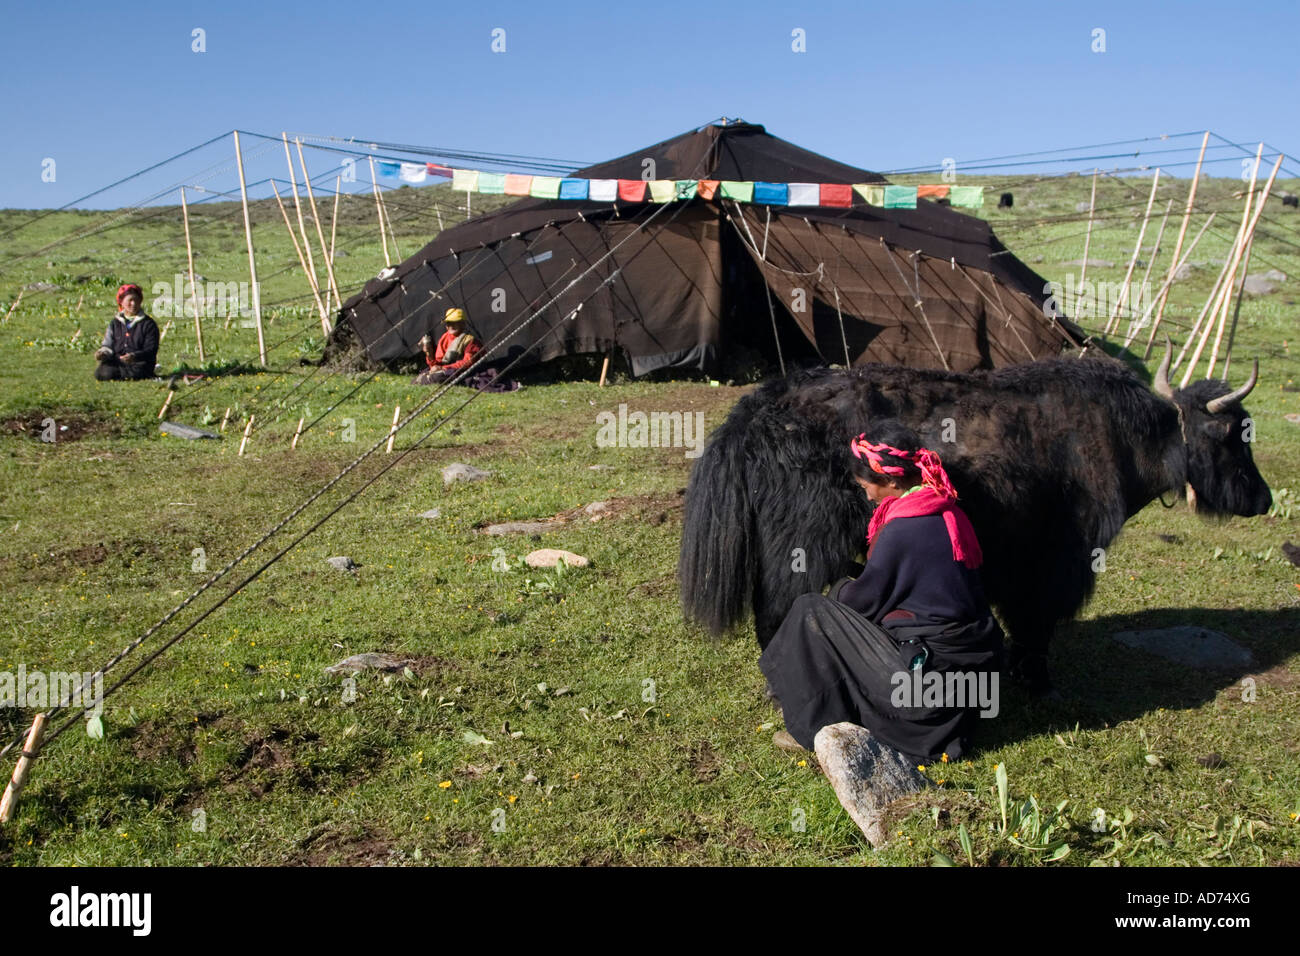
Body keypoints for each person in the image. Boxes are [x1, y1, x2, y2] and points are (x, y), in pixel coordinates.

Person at [759, 420, 1004, 847]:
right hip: (971, 686)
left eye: (867, 485)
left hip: (926, 696)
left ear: (889, 479)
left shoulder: (902, 530)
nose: (866, 493)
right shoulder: (946, 509)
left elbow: (859, 605)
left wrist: (838, 586)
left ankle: (809, 727)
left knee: (812, 611)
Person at [94, 284, 159, 381]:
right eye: (130, 300)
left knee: (138, 371)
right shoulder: (115, 323)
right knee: (101, 372)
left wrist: (134, 356)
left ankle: (124, 375)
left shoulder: (148, 324)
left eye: (136, 300)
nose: (133, 304)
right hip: (118, 362)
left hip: (139, 364)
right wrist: (103, 353)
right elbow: (108, 345)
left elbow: (151, 349)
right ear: (121, 302)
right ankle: (122, 374)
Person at [412, 307, 483, 385]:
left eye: (455, 322)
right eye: (448, 323)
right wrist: (429, 354)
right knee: (421, 376)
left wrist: (443, 368)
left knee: (437, 377)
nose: (451, 326)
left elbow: (467, 362)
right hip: (446, 369)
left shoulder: (470, 341)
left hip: (461, 370)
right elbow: (438, 362)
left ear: (463, 324)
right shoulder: (444, 338)